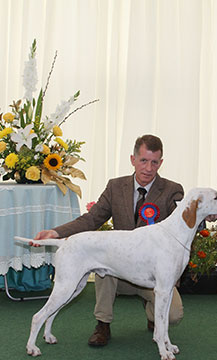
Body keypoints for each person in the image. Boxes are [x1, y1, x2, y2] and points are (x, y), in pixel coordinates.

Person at [32, 134, 184, 347]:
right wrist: (56, 233)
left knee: (174, 315)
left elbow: (183, 226)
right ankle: (103, 324)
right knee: (103, 257)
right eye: (143, 161)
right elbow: (91, 219)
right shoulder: (115, 187)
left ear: (161, 163)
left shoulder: (172, 190)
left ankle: (154, 316)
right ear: (133, 159)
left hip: (152, 271)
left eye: (154, 162)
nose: (149, 168)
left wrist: (205, 217)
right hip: (118, 270)